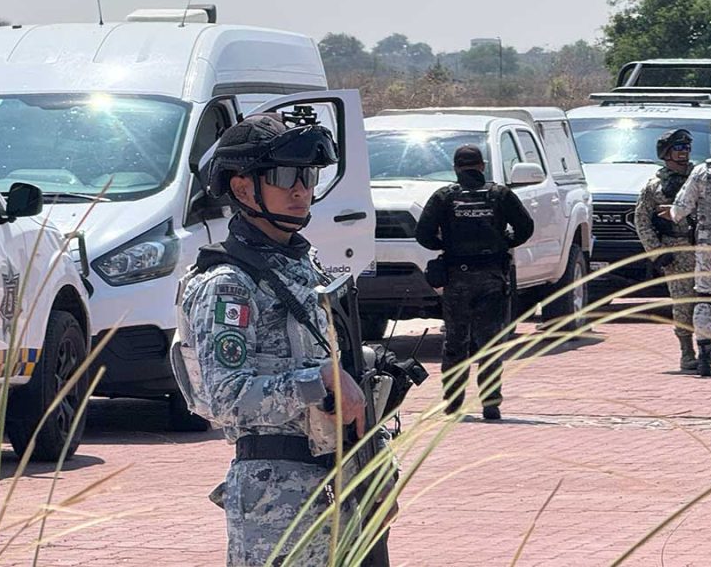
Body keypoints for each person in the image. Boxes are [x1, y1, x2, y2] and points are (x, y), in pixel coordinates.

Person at [175, 111, 371, 566]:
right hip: (276, 498)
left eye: (308, 175)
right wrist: (319, 380)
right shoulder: (229, 283)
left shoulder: (301, 264)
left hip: (335, 477)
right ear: (243, 188)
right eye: (286, 176)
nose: (301, 189)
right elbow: (226, 397)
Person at [415, 144, 534, 419]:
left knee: (456, 342)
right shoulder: (500, 195)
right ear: (482, 166)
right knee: (489, 344)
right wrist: (505, 242)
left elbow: (423, 234)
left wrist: (446, 245)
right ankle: (491, 403)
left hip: (457, 278)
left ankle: (454, 402)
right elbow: (525, 228)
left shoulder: (444, 196)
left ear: (456, 169)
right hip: (493, 278)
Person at [659, 123, 711, 377]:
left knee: (705, 296)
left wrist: (672, 213)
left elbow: (681, 206)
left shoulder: (702, 170)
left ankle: (704, 352)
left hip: (709, 244)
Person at [634, 129, 697, 371]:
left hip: (703, 247)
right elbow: (642, 220)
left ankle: (705, 345)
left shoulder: (701, 177)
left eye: (687, 148)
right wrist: (656, 250)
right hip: (675, 250)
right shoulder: (654, 187)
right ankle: (687, 350)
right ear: (666, 152)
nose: (684, 153)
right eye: (679, 148)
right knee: (683, 302)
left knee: (707, 301)